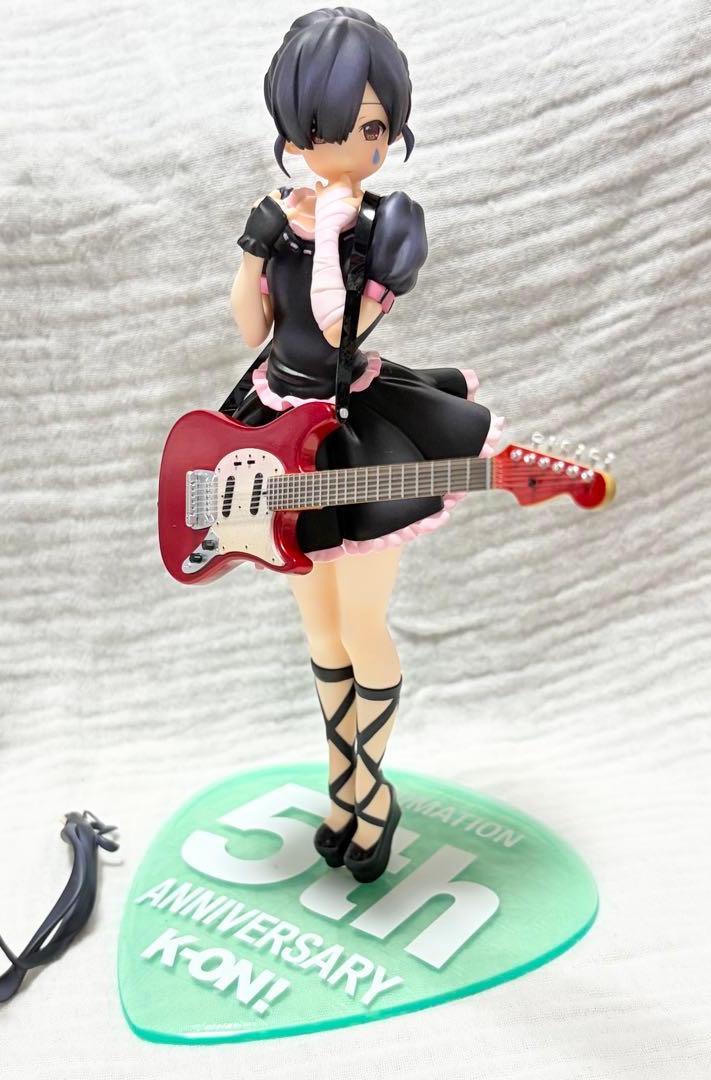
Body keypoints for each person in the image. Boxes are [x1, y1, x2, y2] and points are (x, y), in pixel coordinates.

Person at [224, 8, 504, 883]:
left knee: (360, 619)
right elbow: (254, 332)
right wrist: (253, 252)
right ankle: (342, 791)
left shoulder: (389, 223)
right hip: (282, 421)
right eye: (331, 127)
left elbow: (340, 327)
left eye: (374, 128)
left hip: (355, 429)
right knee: (318, 625)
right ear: (296, 131)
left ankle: (371, 794)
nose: (356, 145)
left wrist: (331, 237)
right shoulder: (281, 218)